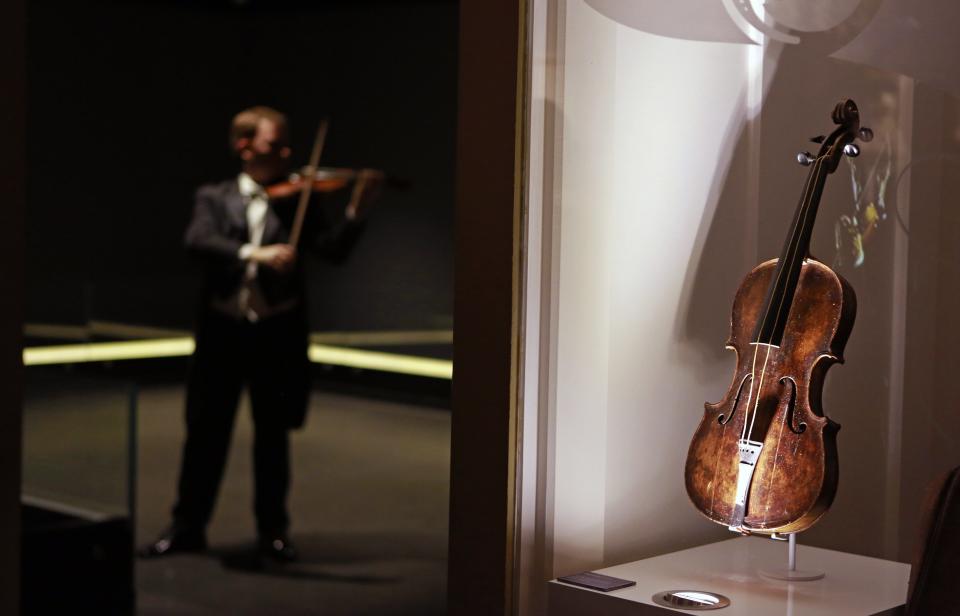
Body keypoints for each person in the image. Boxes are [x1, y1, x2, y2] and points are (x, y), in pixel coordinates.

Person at [141, 106, 376, 561]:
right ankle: (187, 526)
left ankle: (273, 531)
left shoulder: (298, 200)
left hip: (275, 337)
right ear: (244, 146)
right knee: (205, 434)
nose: (287, 153)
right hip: (221, 336)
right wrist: (257, 253)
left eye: (288, 145)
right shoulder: (215, 196)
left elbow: (332, 252)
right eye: (276, 144)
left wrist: (356, 212)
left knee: (273, 437)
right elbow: (198, 241)